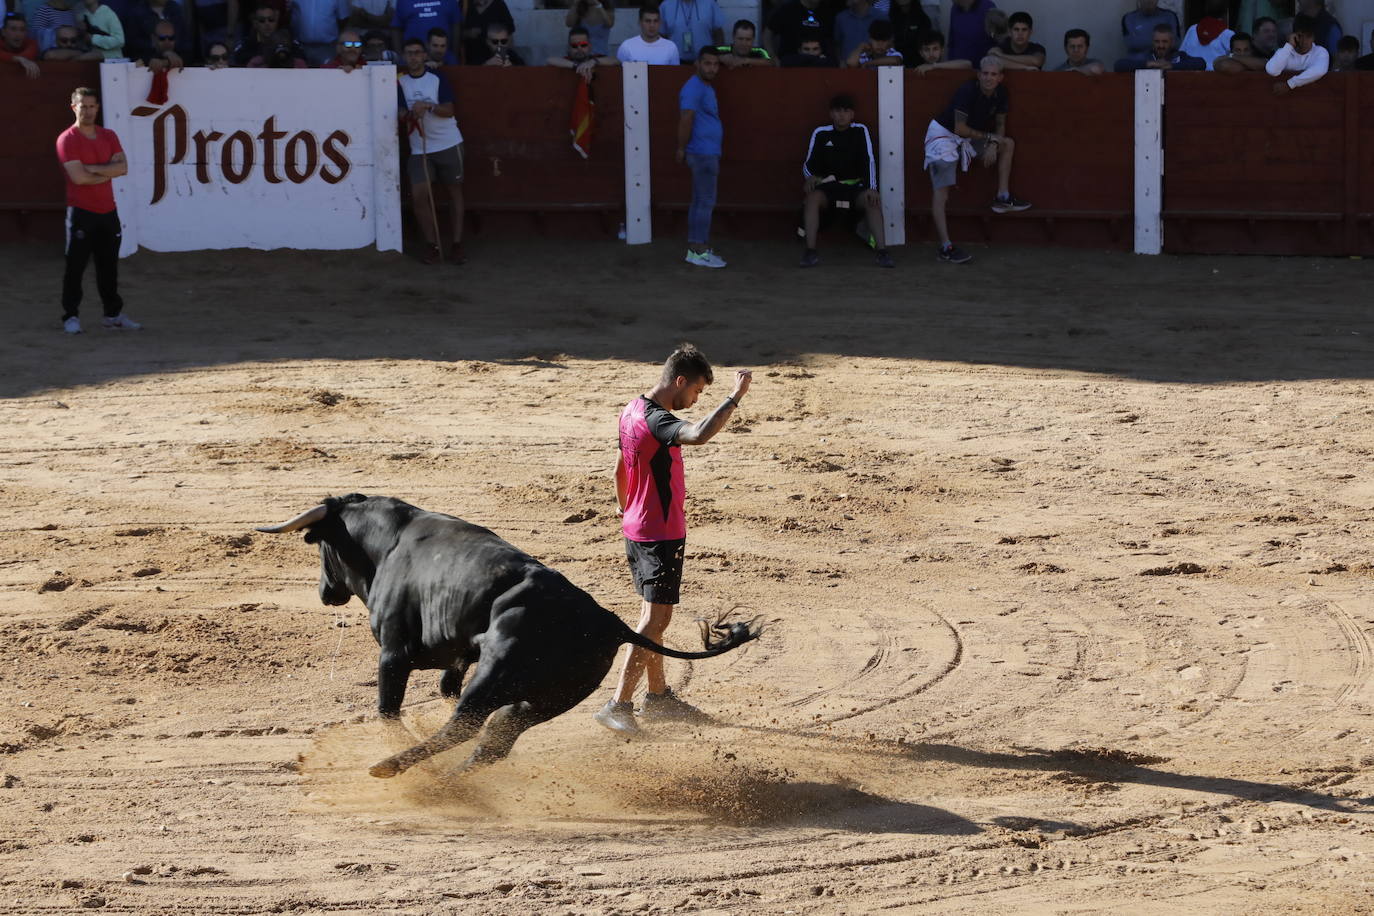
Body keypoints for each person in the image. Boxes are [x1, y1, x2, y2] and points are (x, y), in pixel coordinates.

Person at [593, 344, 753, 735]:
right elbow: (697, 434)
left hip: (637, 527)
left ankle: (659, 697)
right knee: (654, 619)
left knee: (655, 618)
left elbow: (620, 468)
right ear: (680, 381)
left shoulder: (631, 409)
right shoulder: (659, 422)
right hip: (660, 534)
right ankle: (618, 704)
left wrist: (623, 509)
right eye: (696, 391)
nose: (695, 399)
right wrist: (734, 398)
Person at [923, 56, 1030, 265]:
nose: (988, 78)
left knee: (1007, 143)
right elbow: (959, 128)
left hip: (969, 137)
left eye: (993, 74)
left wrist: (995, 144)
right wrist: (990, 138)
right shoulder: (968, 90)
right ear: (979, 74)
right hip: (943, 135)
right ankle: (946, 247)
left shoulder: (1001, 93)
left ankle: (1002, 196)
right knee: (941, 192)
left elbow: (1000, 124)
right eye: (985, 73)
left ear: (1000, 77)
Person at [57, 88, 138, 335]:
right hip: (81, 212)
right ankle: (70, 316)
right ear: (74, 107)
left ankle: (112, 314)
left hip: (108, 211)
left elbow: (123, 168)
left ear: (98, 108)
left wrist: (92, 169)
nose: (88, 111)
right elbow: (78, 179)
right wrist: (106, 171)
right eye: (84, 106)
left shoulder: (108, 135)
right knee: (75, 267)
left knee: (109, 267)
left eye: (92, 106)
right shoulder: (67, 139)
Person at [798, 93, 894, 269]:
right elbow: (808, 165)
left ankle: (882, 252)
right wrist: (809, 177)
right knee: (812, 198)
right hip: (829, 188)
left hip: (854, 189)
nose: (841, 115)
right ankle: (810, 251)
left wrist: (872, 188)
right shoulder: (821, 133)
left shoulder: (860, 131)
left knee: (871, 200)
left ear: (852, 114)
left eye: (845, 111)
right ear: (831, 114)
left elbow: (869, 161)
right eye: (837, 111)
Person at [398, 37, 465, 264]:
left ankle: (456, 244)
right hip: (420, 148)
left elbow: (449, 110)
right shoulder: (400, 82)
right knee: (418, 196)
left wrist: (428, 106)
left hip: (447, 142)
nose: (414, 57)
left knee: (454, 192)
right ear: (404, 56)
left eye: (417, 52)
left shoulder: (437, 78)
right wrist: (408, 115)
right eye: (409, 53)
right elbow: (398, 113)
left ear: (425, 55)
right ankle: (432, 245)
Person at [677, 46, 725, 268]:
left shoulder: (701, 86)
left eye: (715, 64)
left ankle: (695, 250)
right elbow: (686, 117)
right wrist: (681, 147)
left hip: (704, 151)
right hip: (703, 152)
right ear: (697, 63)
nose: (712, 68)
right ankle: (699, 251)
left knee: (699, 202)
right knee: (705, 202)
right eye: (707, 63)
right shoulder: (695, 88)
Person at [1267, 13, 1329, 93]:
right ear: (1293, 35)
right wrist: (1289, 46)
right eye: (1300, 36)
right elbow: (1272, 70)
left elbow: (1319, 71)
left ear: (1314, 37)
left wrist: (1289, 84)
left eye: (1308, 36)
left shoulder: (1320, 52)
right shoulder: (1285, 51)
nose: (1304, 41)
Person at [1114, 23, 1204, 71]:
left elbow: (1201, 63)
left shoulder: (1179, 56)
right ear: (1152, 42)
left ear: (1172, 42)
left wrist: (1172, 66)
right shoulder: (1145, 57)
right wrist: (1149, 64)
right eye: (1157, 41)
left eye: (1165, 42)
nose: (1161, 45)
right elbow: (1119, 65)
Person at [658, 0, 723, 63]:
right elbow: (660, 36)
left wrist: (718, 55)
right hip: (675, 61)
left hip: (705, 63)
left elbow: (719, 33)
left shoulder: (710, 3)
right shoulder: (666, 5)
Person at [392, 0, 458, 63]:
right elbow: (396, 28)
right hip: (411, 58)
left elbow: (456, 26)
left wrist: (455, 54)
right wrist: (399, 55)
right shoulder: (403, 1)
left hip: (444, 58)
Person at [765, 0, 832, 59]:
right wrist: (772, 57)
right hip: (790, 66)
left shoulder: (827, 12)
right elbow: (768, 34)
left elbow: (834, 41)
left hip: (820, 66)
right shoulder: (786, 9)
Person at [1179, 0, 1234, 70]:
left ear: (1205, 9)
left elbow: (1181, 54)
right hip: (1216, 79)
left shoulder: (1192, 30)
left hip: (1191, 78)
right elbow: (1237, 59)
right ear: (1226, 12)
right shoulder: (1228, 34)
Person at [290, 0, 348, 66]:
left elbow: (343, 18)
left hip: (328, 47)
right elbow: (288, 13)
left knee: (328, 74)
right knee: (299, 75)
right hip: (300, 47)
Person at [547, 24, 615, 79]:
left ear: (590, 46)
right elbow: (549, 60)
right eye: (574, 45)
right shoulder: (567, 61)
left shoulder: (595, 59)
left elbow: (616, 60)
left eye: (583, 45)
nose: (579, 48)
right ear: (569, 48)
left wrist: (593, 61)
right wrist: (577, 66)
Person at [946, 0, 993, 65]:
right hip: (958, 66)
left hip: (982, 68)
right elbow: (951, 40)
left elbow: (997, 40)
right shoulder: (954, 8)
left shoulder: (988, 6)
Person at [887, 0, 928, 64]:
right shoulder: (889, 17)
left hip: (917, 64)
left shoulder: (923, 18)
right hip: (893, 63)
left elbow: (926, 44)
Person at [1, 11, 40, 76]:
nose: (18, 34)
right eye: (13, 29)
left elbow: (30, 54)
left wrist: (19, 58)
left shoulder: (31, 43)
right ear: (3, 32)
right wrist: (17, 58)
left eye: (22, 30)